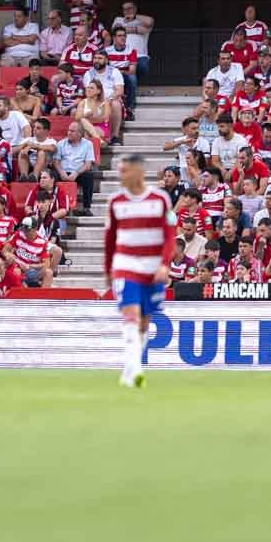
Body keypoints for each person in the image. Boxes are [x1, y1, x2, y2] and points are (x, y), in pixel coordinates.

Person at [105, 154, 176, 389]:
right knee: (130, 317)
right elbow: (110, 238)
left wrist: (165, 264)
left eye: (124, 171)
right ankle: (135, 372)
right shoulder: (116, 201)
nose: (120, 175)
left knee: (144, 323)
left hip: (152, 268)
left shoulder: (160, 199)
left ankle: (129, 369)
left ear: (139, 172)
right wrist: (108, 269)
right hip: (126, 267)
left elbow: (169, 235)